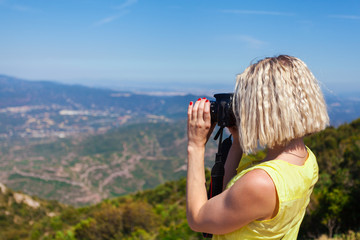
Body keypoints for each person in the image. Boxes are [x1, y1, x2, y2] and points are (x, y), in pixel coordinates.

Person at [186, 55, 329, 239]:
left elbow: (199, 219)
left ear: (265, 109)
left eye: (246, 102)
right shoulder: (308, 160)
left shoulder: (260, 183)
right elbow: (225, 199)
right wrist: (237, 142)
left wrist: (195, 146)